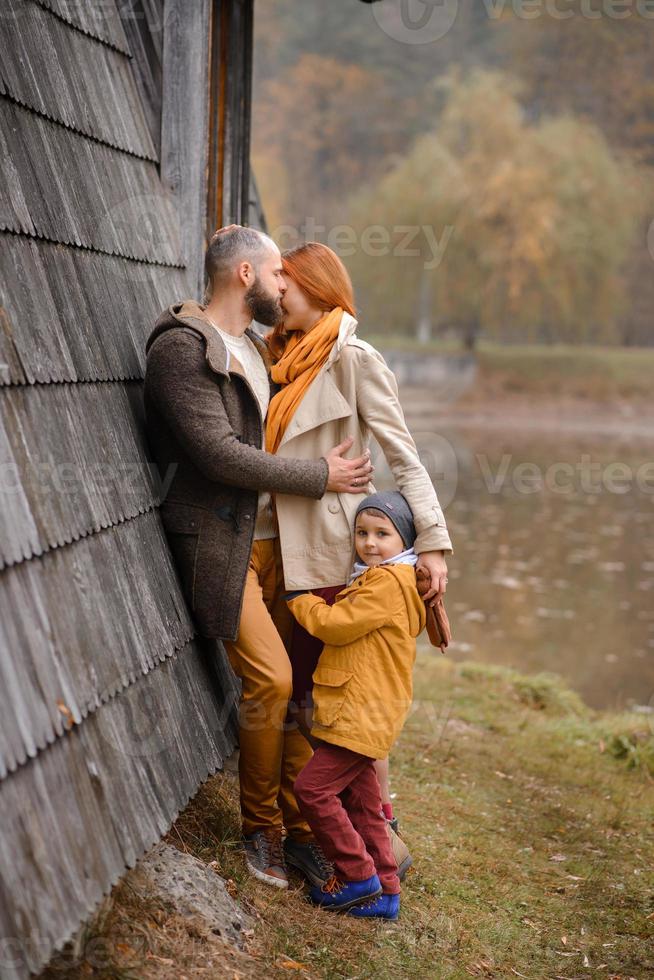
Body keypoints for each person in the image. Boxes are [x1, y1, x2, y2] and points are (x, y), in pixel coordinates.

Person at [143, 226, 374, 890]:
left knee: (304, 686)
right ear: (245, 274)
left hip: (275, 545)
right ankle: (260, 829)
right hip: (219, 543)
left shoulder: (253, 349)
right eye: (278, 275)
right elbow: (216, 455)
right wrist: (318, 477)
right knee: (271, 681)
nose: (285, 285)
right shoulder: (183, 351)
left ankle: (308, 832)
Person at [264, 242, 453, 856]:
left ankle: (374, 835)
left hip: (328, 548)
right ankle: (327, 827)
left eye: (284, 283)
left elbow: (404, 455)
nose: (276, 294)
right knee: (298, 693)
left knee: (333, 699)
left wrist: (433, 544)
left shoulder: (355, 359)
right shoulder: (280, 354)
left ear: (316, 289)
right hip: (277, 540)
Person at [285, 490, 427, 920]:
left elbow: (337, 625)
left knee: (312, 789)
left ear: (404, 541)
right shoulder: (384, 578)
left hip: (360, 712)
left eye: (382, 534)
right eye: (362, 532)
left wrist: (301, 599)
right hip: (367, 711)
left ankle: (356, 875)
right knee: (363, 803)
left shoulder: (386, 582)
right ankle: (386, 891)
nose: (369, 543)